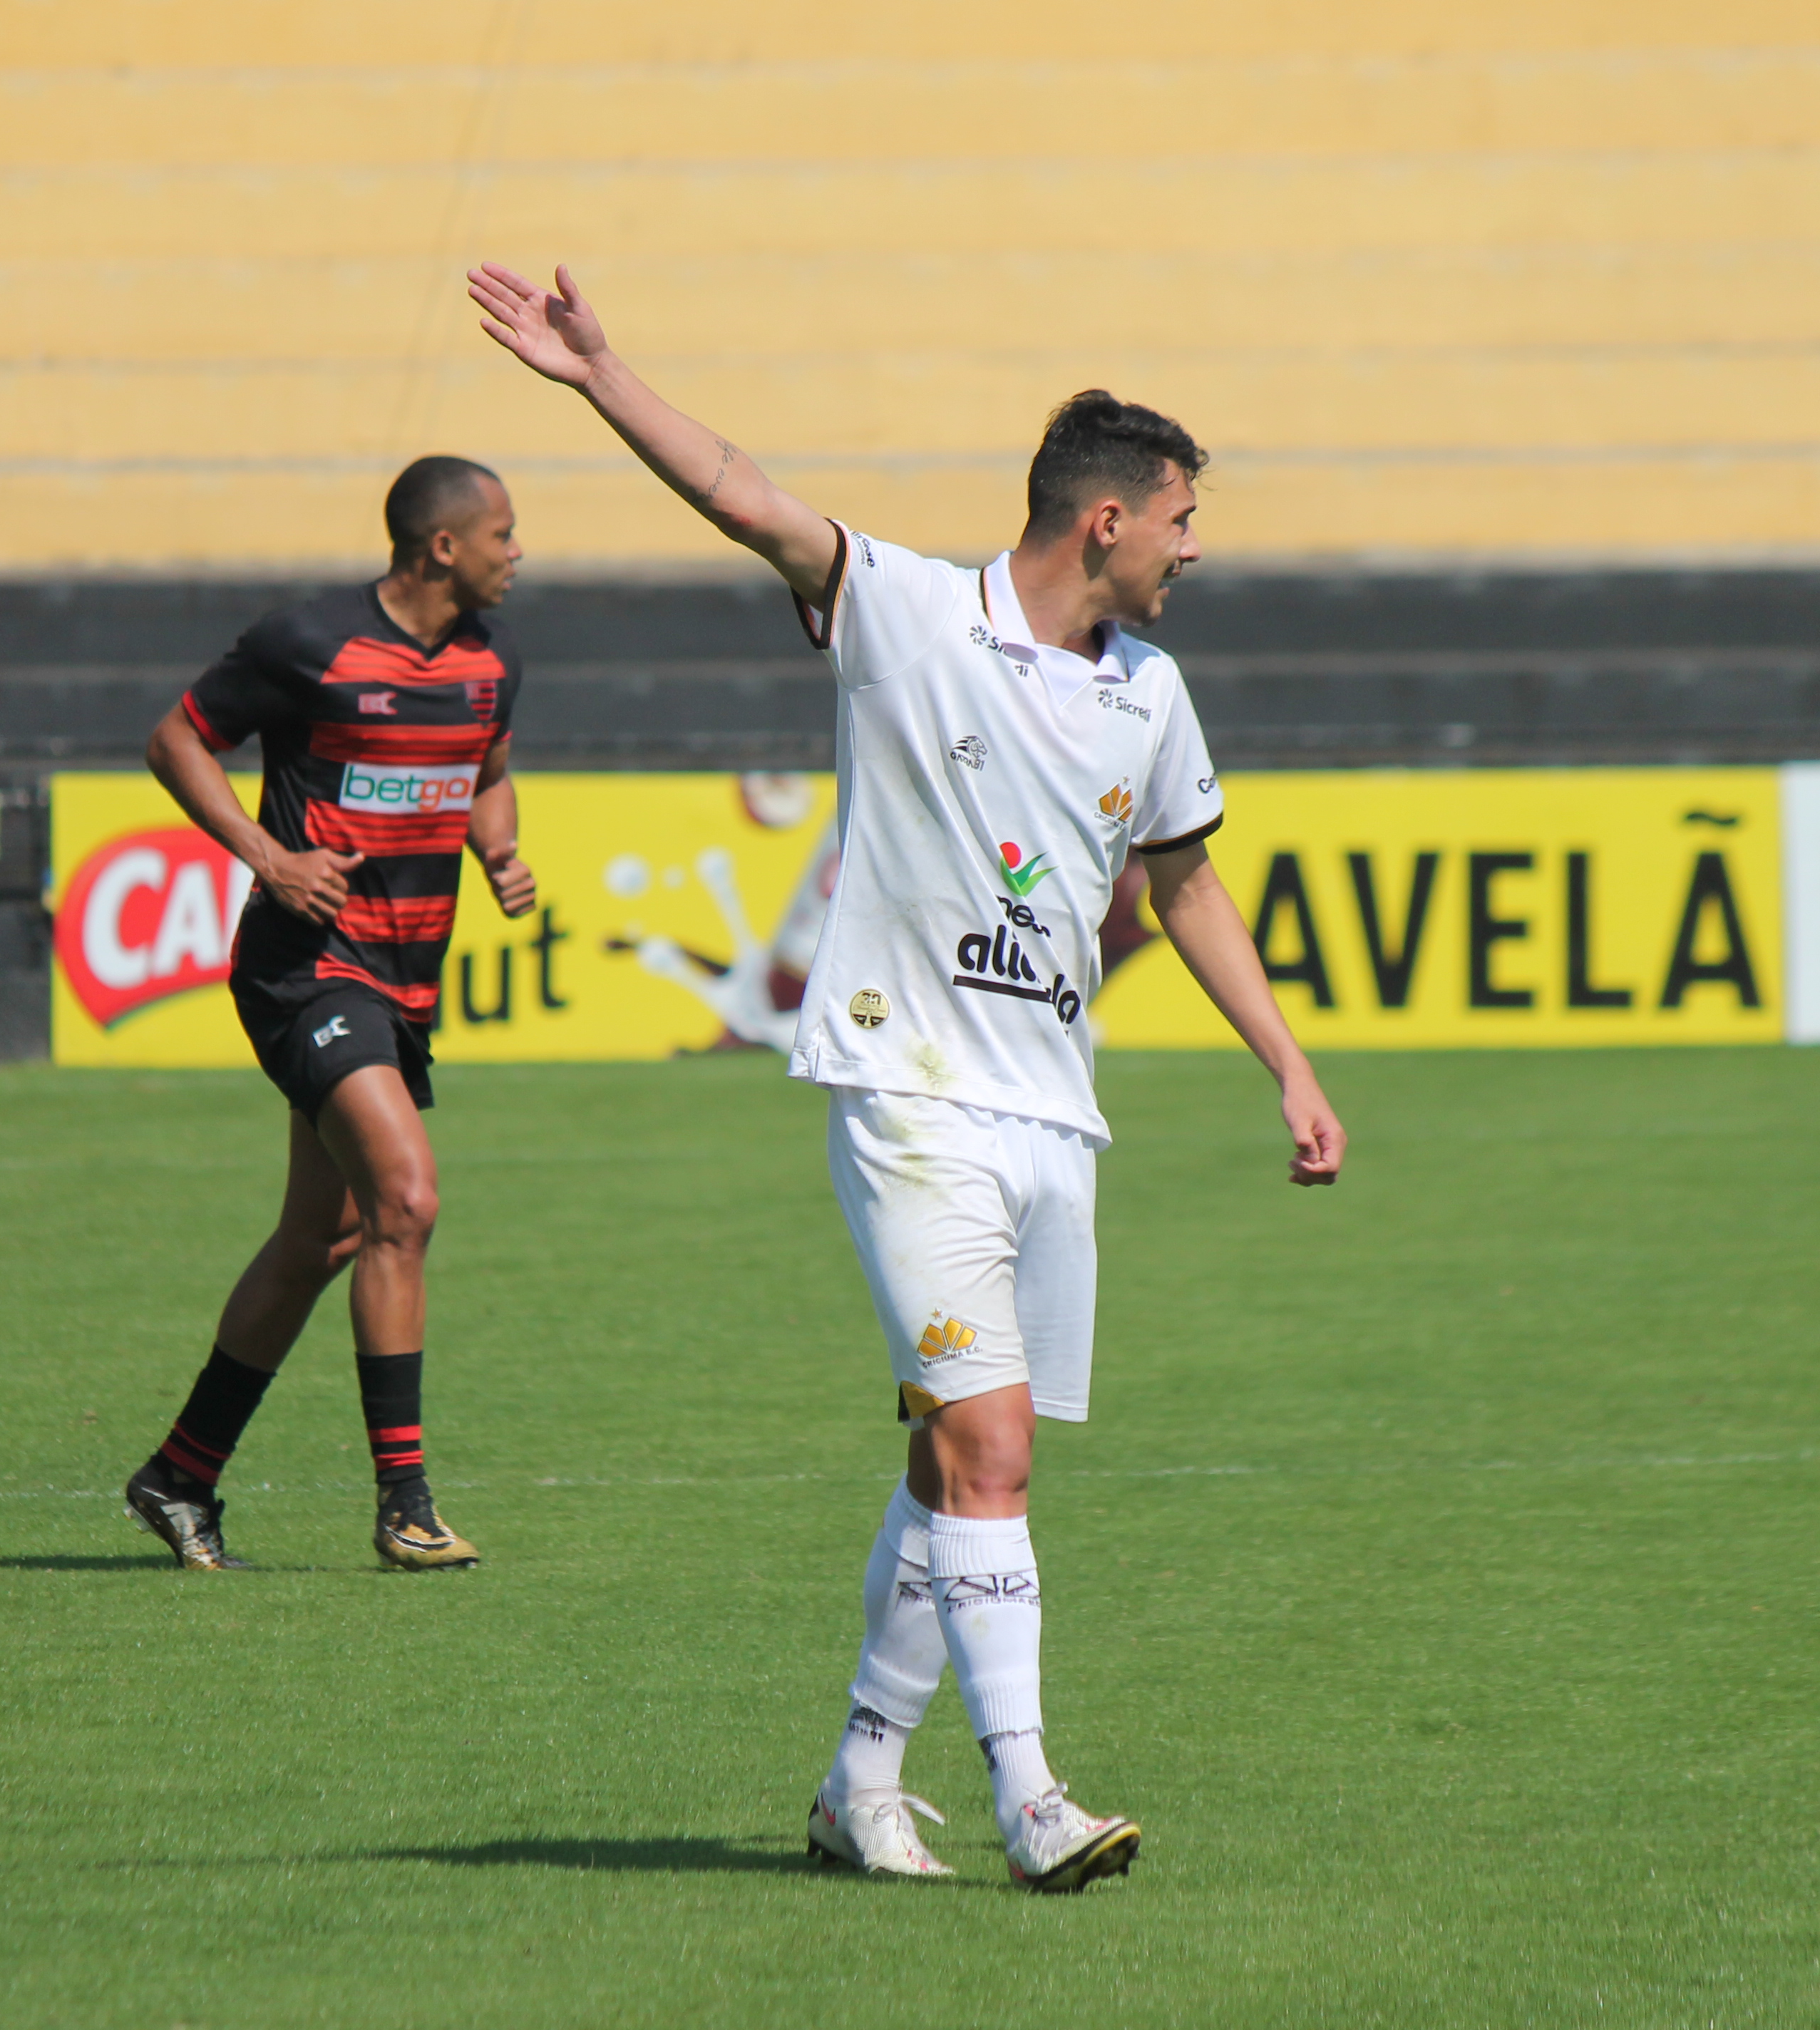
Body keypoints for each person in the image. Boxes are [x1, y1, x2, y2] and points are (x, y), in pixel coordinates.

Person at [470, 263, 1348, 1891]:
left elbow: (1186, 888)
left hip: (1053, 1117)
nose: (1194, 549)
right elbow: (744, 495)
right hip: (909, 1098)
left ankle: (857, 1783)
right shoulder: (912, 612)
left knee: (949, 1467)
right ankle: (1033, 1800)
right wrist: (600, 375)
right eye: (1180, 521)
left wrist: (1287, 1063)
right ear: (1104, 520)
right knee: (993, 1451)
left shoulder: (1152, 696)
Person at [123, 455, 535, 1575]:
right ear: (442, 545)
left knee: (327, 1237)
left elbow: (486, 769)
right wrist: (270, 858)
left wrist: (497, 850)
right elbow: (175, 740)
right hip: (305, 971)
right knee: (407, 1197)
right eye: (502, 532)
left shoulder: (493, 660)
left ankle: (179, 1476)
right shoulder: (309, 643)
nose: (517, 551)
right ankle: (405, 1504)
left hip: (405, 984)